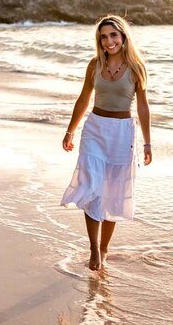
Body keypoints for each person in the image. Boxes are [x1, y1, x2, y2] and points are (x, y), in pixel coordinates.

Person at [60, 15, 152, 272]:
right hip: (95, 129)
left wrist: (147, 143)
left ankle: (104, 248)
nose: (108, 41)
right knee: (93, 188)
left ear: (123, 37)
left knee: (113, 193)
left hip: (122, 133)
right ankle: (93, 247)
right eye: (103, 36)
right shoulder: (94, 65)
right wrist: (70, 131)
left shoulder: (136, 68)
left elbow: (143, 107)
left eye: (113, 35)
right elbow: (83, 99)